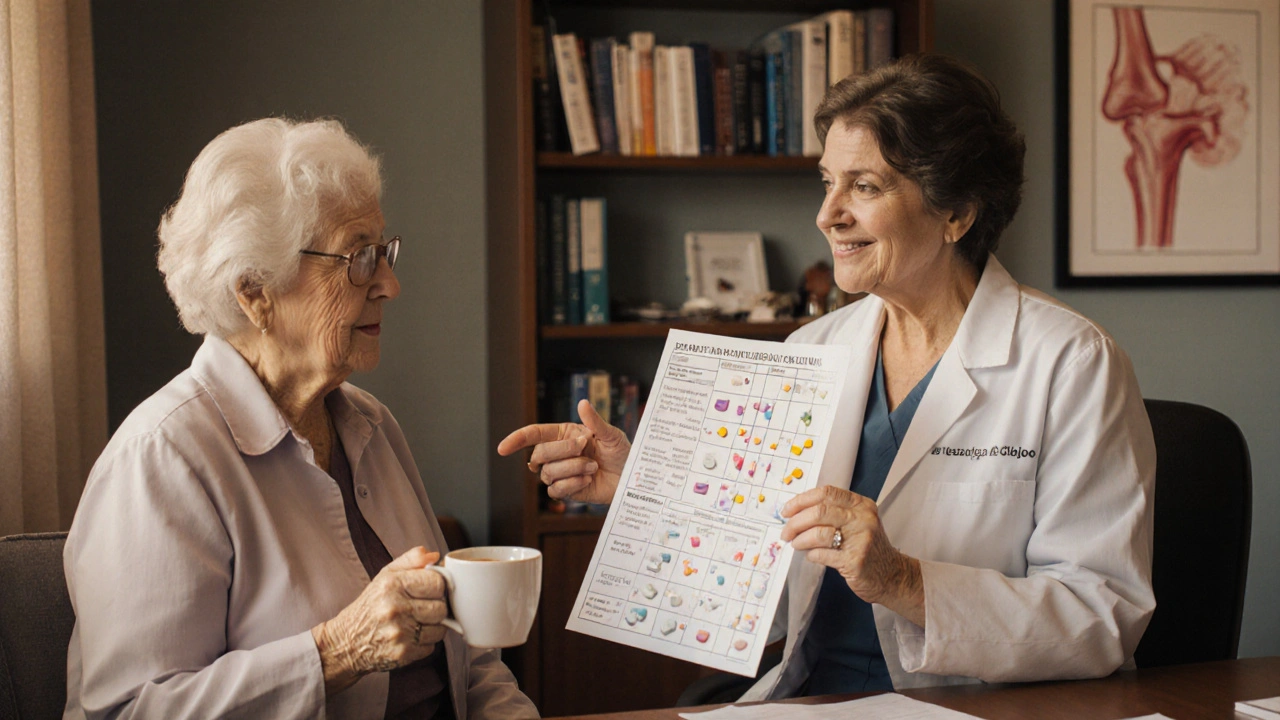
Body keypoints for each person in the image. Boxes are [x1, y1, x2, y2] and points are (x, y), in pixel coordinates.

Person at [498, 54, 1156, 697]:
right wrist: (646, 487)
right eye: (826, 181)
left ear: (958, 212)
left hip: (966, 705)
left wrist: (901, 580)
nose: (827, 214)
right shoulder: (812, 348)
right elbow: (760, 591)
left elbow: (1103, 620)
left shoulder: (1071, 363)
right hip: (811, 698)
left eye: (865, 187)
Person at [64, 118, 538, 719]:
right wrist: (338, 651)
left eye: (384, 253)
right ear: (255, 291)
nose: (390, 284)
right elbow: (129, 711)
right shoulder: (162, 457)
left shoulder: (370, 424)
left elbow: (469, 659)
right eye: (358, 259)